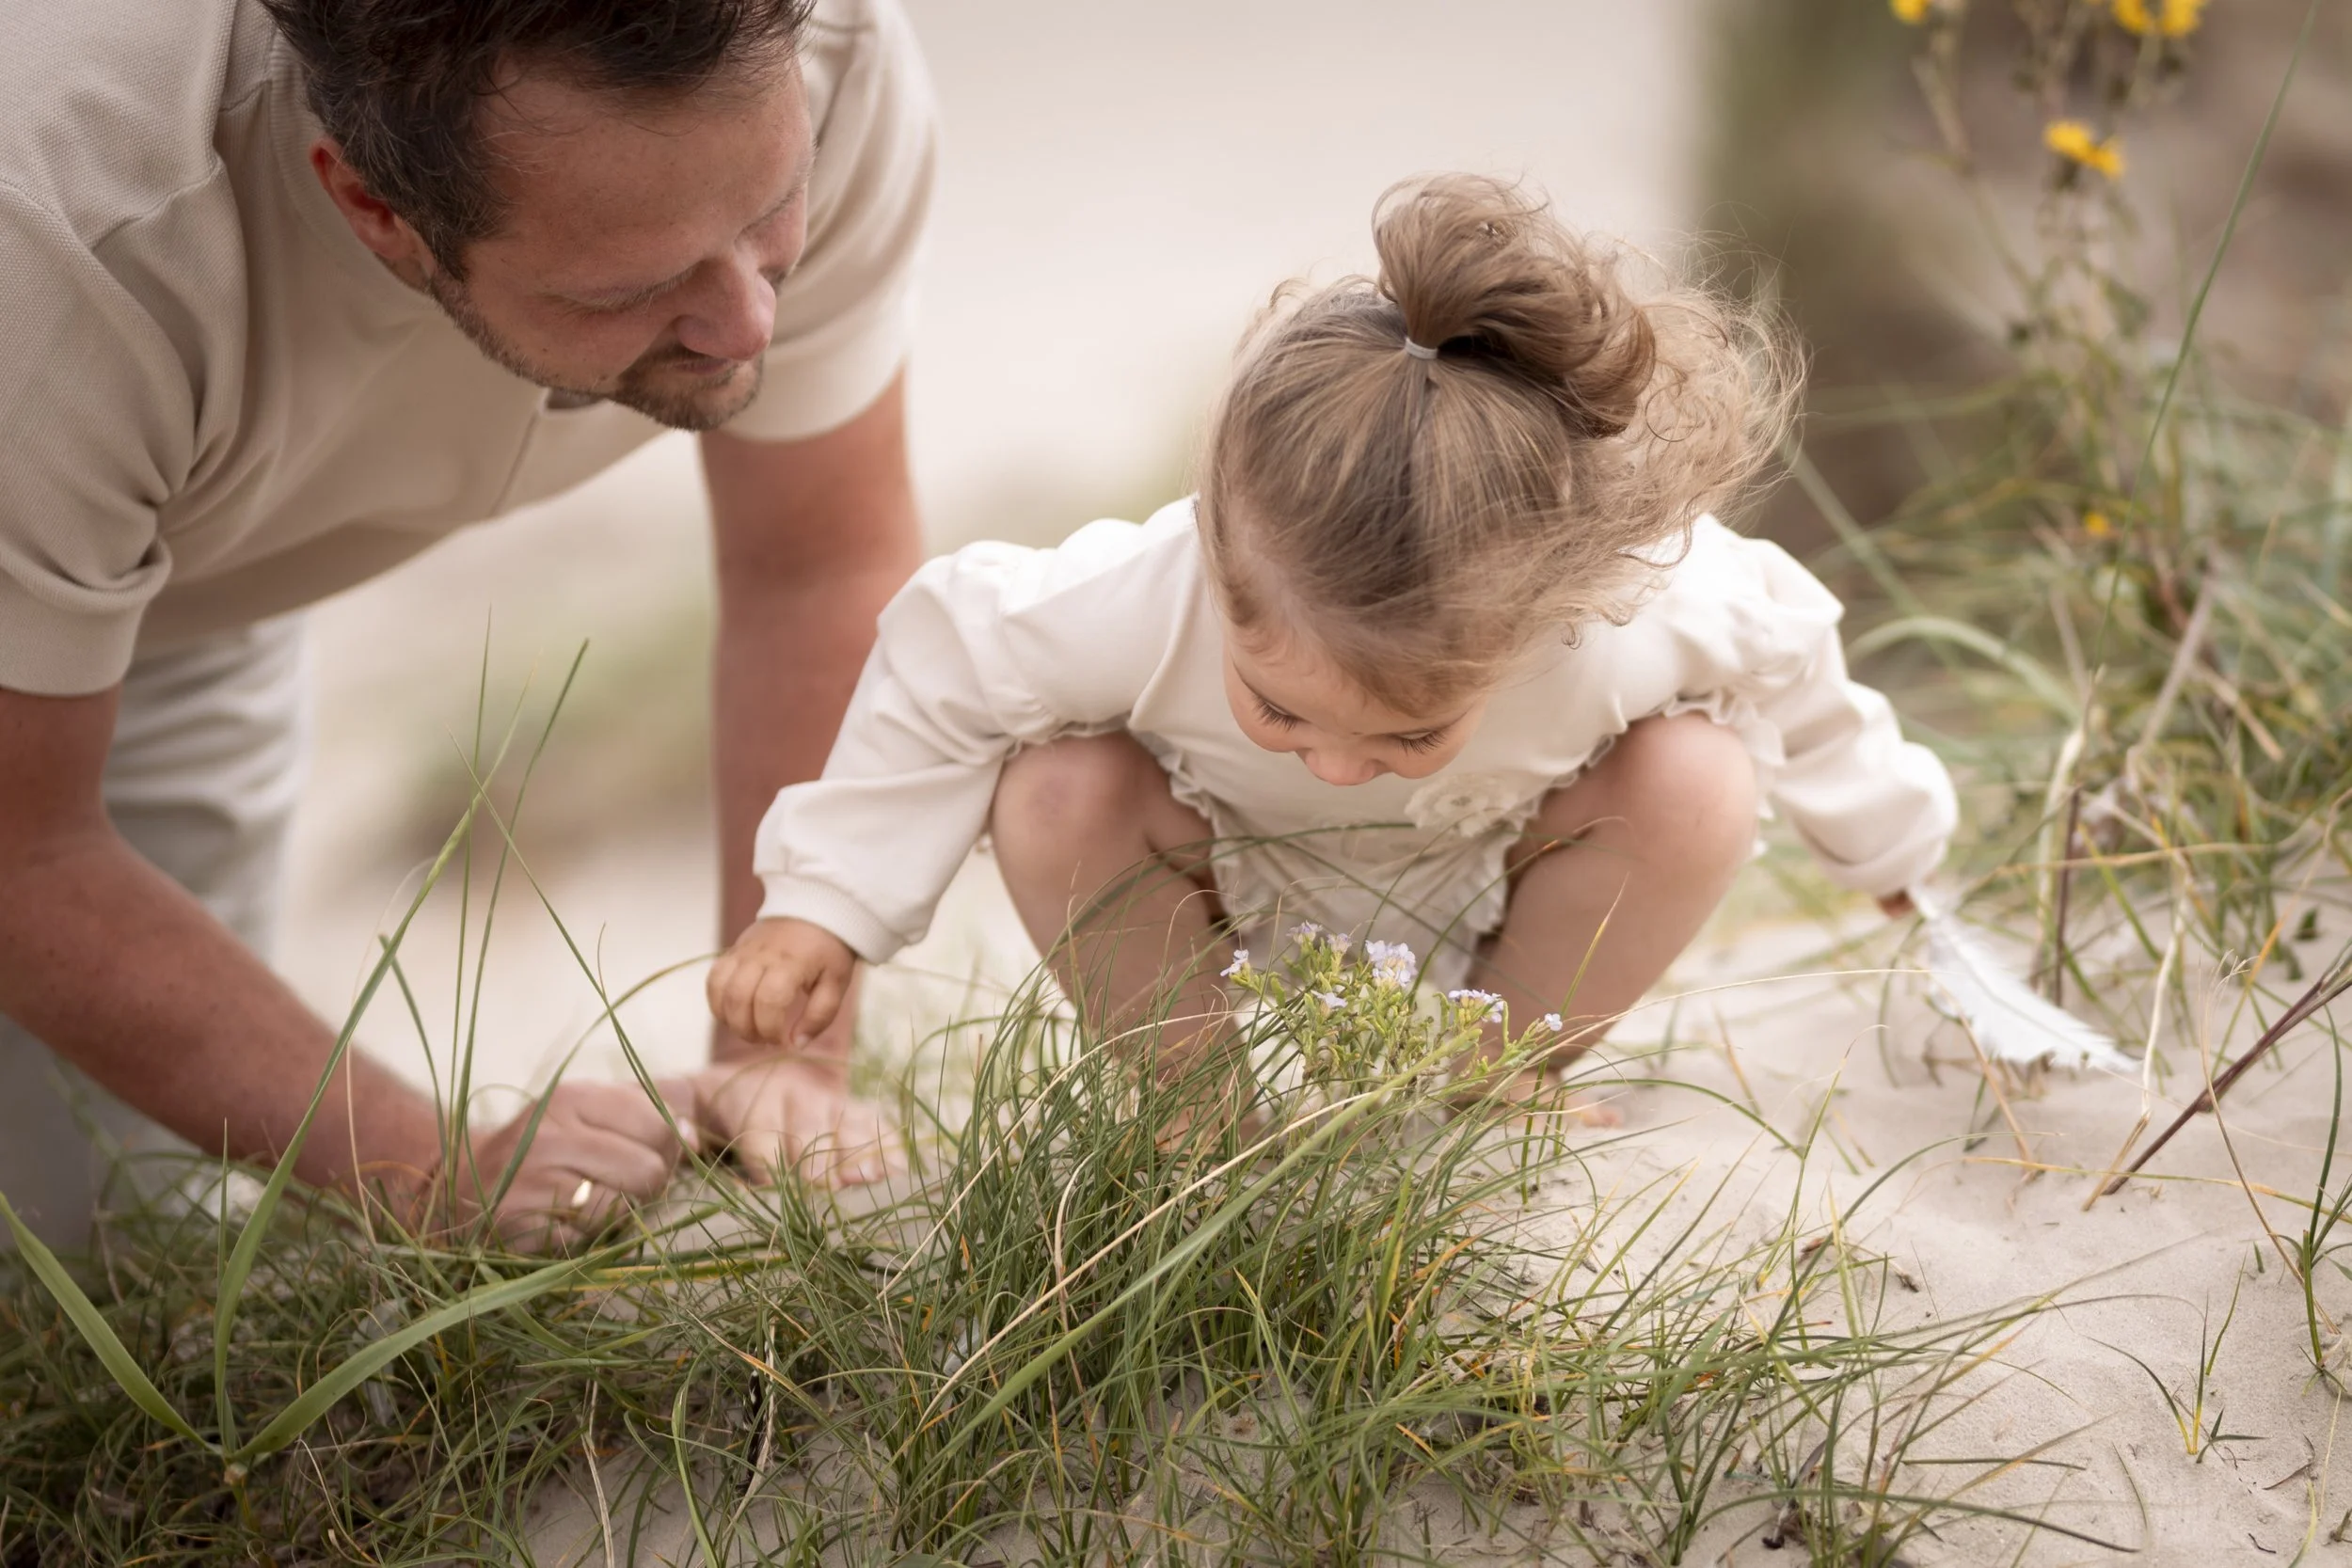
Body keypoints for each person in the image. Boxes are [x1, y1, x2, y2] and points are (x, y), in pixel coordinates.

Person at [0, 0, 931, 1253]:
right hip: (64, 515)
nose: (751, 322)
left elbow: (813, 565)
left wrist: (786, 1058)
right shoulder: (67, 234)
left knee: (101, 1227)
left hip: (194, 566)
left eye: (769, 215)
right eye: (637, 283)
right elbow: (21, 848)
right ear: (373, 208)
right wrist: (436, 1168)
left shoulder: (824, 51)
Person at [707, 176, 1957, 1101]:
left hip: (1502, 876)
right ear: (1213, 554)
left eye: (1410, 726)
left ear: (1549, 610)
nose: (1342, 762)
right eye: (1281, 708)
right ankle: (1201, 1117)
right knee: (1053, 790)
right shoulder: (1146, 596)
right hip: (1220, 878)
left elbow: (1790, 655)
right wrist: (822, 906)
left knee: (1701, 778)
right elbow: (944, 659)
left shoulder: (1625, 606)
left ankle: (1487, 1077)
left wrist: (1887, 838)